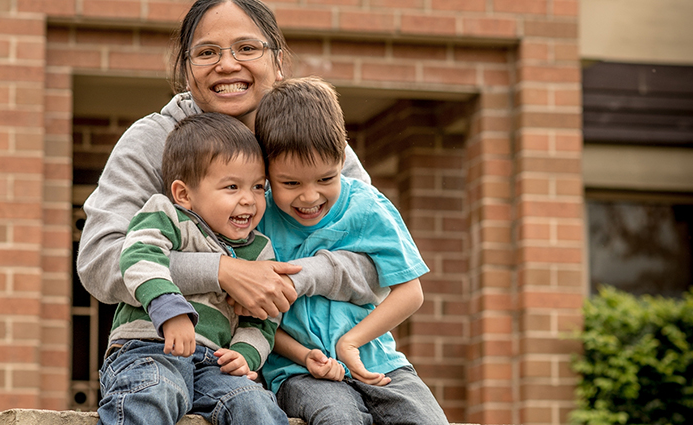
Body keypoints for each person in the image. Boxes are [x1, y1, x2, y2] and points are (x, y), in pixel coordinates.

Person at [76, 0, 385, 324]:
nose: (226, 65)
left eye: (247, 48)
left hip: (313, 359)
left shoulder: (313, 142)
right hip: (181, 359)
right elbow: (100, 261)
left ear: (278, 61)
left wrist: (290, 278)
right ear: (185, 69)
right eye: (207, 52)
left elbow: (381, 259)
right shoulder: (153, 141)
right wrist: (222, 271)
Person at [255, 77, 449, 425]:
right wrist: (306, 355)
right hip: (300, 371)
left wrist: (351, 343)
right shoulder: (258, 219)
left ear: (342, 156)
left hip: (379, 360)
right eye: (291, 183)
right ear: (267, 172)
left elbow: (410, 291)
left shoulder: (367, 207)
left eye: (326, 179)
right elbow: (257, 317)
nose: (310, 196)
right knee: (339, 419)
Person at [99, 112, 287, 425]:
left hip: (215, 364)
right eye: (231, 187)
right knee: (155, 391)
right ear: (184, 194)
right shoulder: (167, 216)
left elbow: (266, 315)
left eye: (257, 187)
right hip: (149, 348)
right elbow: (138, 255)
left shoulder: (259, 250)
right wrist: (169, 311)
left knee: (255, 402)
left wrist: (245, 353)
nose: (249, 200)